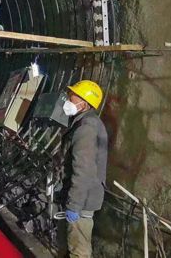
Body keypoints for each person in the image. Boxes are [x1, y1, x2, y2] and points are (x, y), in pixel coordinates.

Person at [58, 80, 108, 257]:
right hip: (78, 198)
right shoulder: (83, 123)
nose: (68, 99)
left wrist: (74, 205)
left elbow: (83, 171)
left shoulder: (86, 128)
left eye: (73, 96)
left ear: (84, 103)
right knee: (68, 247)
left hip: (81, 201)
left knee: (79, 252)